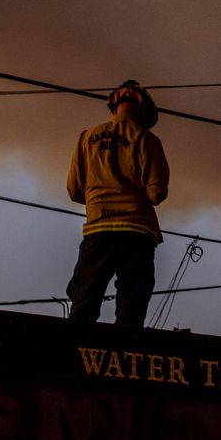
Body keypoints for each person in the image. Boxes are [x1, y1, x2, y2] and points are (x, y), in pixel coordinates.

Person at [65, 80, 169, 327]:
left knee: (84, 303)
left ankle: (76, 354)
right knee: (131, 309)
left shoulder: (86, 138)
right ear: (143, 110)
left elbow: (73, 191)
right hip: (136, 232)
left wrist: (99, 200)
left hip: (97, 230)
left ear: (114, 107)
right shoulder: (147, 140)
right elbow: (157, 194)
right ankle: (123, 356)